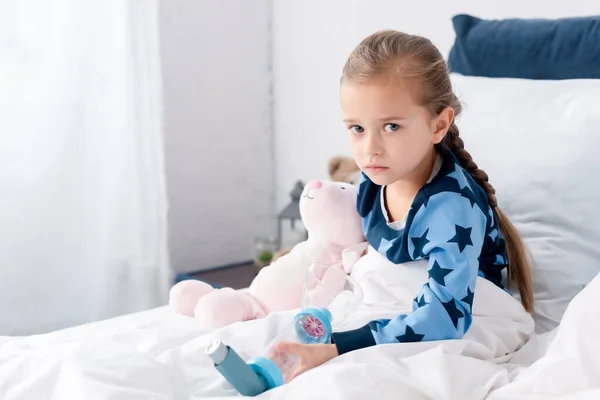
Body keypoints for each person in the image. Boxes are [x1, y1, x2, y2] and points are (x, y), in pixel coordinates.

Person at [275, 29, 533, 381]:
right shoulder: (374, 180)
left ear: (439, 125)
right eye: (356, 128)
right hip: (389, 308)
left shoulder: (452, 210)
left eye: (391, 126)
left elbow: (444, 317)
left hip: (460, 313)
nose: (370, 149)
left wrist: (336, 346)